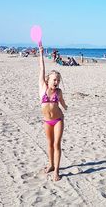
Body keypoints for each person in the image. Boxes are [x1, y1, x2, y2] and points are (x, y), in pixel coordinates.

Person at [39, 46, 68, 181]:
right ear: (48, 80)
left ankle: (56, 170)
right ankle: (51, 164)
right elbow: (42, 69)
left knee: (57, 144)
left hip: (58, 120)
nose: (56, 82)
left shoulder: (59, 92)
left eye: (58, 80)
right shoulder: (43, 88)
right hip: (46, 121)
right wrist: (41, 52)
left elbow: (61, 102)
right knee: (49, 143)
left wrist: (65, 106)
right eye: (54, 79)